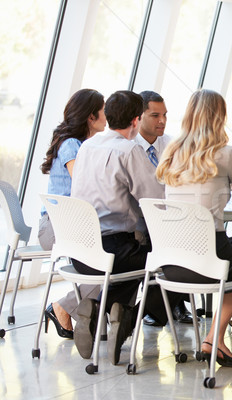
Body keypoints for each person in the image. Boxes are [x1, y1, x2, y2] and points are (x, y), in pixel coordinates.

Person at [156, 88, 232, 367]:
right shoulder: (226, 154)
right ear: (219, 117)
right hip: (210, 262)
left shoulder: (170, 152)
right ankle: (216, 336)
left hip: (171, 262)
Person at [70, 90, 184, 365]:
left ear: (107, 117)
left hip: (80, 251)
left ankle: (102, 309)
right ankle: (119, 313)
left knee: (141, 252)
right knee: (178, 264)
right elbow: (156, 200)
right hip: (114, 251)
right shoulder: (130, 149)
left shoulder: (87, 146)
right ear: (136, 120)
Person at [38, 89, 106, 339]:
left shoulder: (82, 145)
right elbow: (83, 185)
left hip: (69, 225)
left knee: (109, 257)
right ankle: (61, 308)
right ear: (91, 116)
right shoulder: (72, 145)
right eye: (103, 109)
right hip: (56, 227)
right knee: (107, 261)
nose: (107, 114)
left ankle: (78, 311)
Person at [133, 90, 193, 326]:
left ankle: (170, 303)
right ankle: (164, 305)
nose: (162, 121)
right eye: (155, 115)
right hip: (140, 220)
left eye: (165, 115)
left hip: (169, 216)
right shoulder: (129, 147)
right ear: (138, 116)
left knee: (193, 241)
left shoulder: (170, 144)